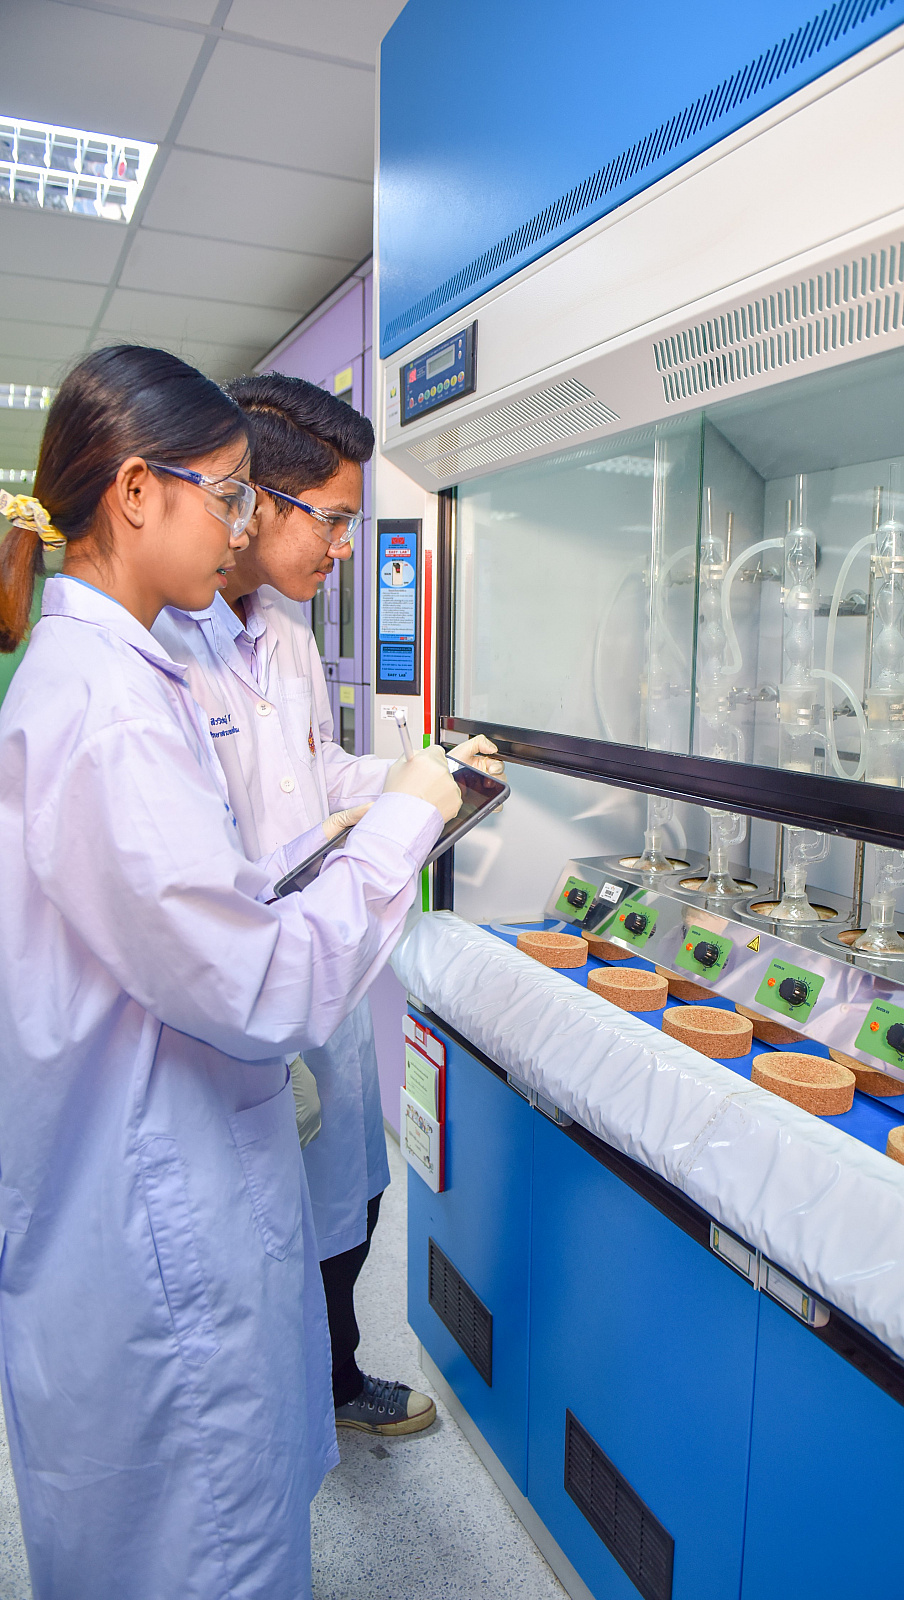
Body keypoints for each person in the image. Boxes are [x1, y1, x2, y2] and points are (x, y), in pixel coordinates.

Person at [0, 345, 461, 1600]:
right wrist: (407, 826)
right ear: (134, 492)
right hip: (155, 1210)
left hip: (170, 1162)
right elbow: (257, 984)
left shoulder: (116, 673)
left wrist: (389, 800)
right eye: (229, 494)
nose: (242, 524)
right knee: (203, 1547)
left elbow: (226, 873)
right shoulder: (109, 705)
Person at [153, 372, 502, 1435]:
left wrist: (420, 778)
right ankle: (280, 1405)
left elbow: (317, 772)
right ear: (254, 501)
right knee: (258, 1230)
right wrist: (380, 826)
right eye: (335, 520)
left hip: (324, 980)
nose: (346, 548)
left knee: (352, 1197)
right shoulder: (166, 649)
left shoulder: (289, 637)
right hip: (242, 997)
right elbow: (206, 879)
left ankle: (337, 1382)